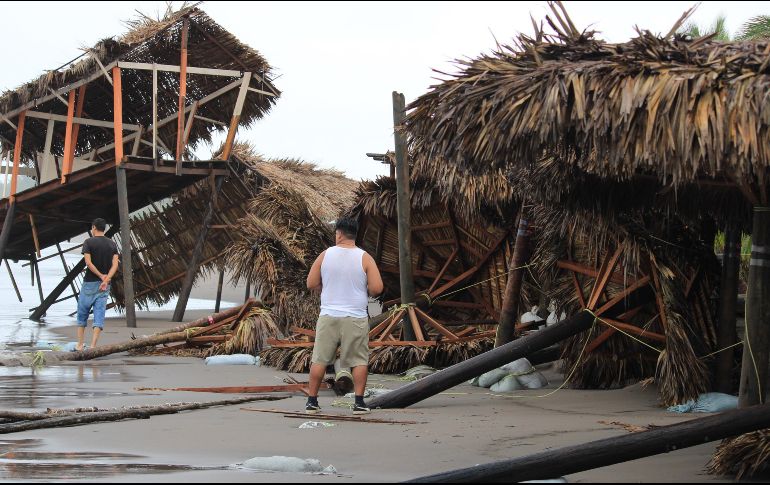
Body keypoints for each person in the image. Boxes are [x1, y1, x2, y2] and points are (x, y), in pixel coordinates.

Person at [305, 217, 383, 415]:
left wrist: (327, 287)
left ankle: (312, 402)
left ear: (339, 233)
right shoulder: (364, 257)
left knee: (320, 359)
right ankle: (358, 403)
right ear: (354, 235)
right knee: (358, 360)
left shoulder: (325, 255)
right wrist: (364, 289)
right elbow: (377, 288)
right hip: (355, 317)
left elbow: (311, 283)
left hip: (329, 315)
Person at [76, 218, 119, 351]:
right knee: (99, 313)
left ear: (94, 227)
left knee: (82, 313)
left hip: (89, 283)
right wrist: (106, 280)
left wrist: (100, 276)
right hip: (104, 285)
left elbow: (88, 263)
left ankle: (80, 345)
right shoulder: (112, 244)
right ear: (104, 228)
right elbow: (115, 265)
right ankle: (93, 346)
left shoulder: (88, 242)